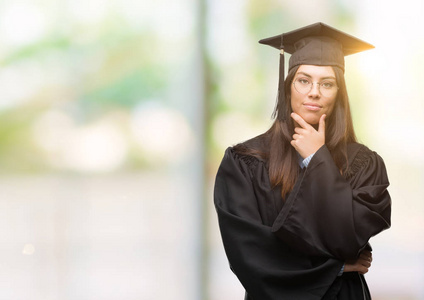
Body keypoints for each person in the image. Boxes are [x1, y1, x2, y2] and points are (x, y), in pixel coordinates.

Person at [213, 22, 391, 300]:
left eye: (327, 83)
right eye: (304, 80)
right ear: (288, 87)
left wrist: (316, 159)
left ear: (339, 94)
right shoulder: (243, 162)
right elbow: (250, 257)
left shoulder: (365, 164)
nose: (314, 92)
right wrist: (339, 267)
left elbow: (347, 238)